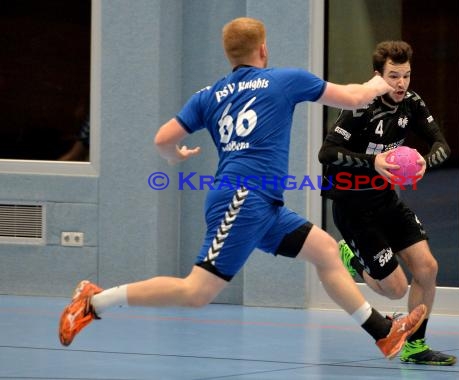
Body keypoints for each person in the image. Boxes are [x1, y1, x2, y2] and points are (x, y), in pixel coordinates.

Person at [58, 18, 428, 360]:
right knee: (196, 292)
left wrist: (175, 155)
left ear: (228, 53)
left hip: (263, 204)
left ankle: (382, 332)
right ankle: (96, 301)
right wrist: (380, 83)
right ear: (263, 49)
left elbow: (162, 139)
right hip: (240, 199)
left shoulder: (210, 95)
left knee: (326, 251)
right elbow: (354, 97)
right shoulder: (284, 80)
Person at [318, 40, 455, 365]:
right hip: (353, 207)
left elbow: (441, 144)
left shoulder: (411, 103)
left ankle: (414, 346)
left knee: (427, 267)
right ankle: (352, 260)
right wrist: (373, 162)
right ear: (377, 75)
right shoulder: (361, 107)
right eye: (394, 76)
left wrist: (425, 160)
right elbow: (326, 153)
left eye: (406, 75)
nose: (401, 83)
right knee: (394, 289)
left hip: (385, 199)